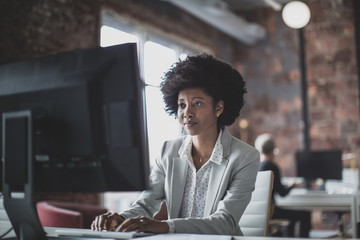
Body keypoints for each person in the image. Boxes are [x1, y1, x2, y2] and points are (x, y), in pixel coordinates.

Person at [91, 53, 260, 235]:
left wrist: (166, 226)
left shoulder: (245, 157)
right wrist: (122, 219)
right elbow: (147, 202)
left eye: (197, 103)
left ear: (218, 108)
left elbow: (225, 222)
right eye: (181, 105)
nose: (187, 113)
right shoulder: (168, 151)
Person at [255, 133, 311, 237]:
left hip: (260, 212)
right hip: (272, 212)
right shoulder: (272, 167)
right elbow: (282, 193)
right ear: (273, 149)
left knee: (291, 217)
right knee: (305, 215)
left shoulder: (257, 167)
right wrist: (291, 185)